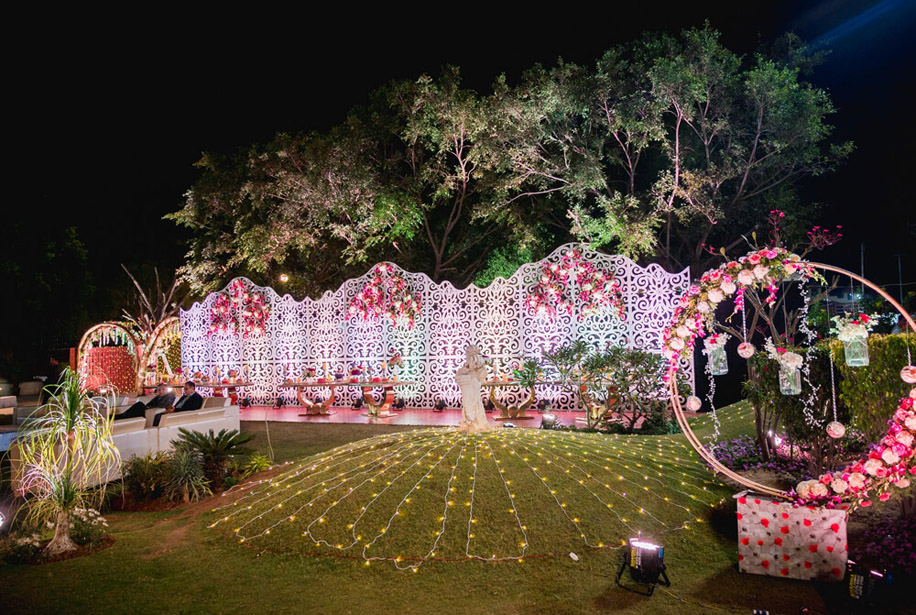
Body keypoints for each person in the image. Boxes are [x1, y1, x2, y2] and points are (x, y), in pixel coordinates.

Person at [455, 345, 492, 434]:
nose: (466, 355)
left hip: (472, 384)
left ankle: (473, 422)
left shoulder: (478, 365)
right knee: (470, 403)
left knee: (472, 402)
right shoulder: (468, 366)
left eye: (467, 353)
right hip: (469, 384)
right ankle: (470, 422)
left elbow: (482, 376)